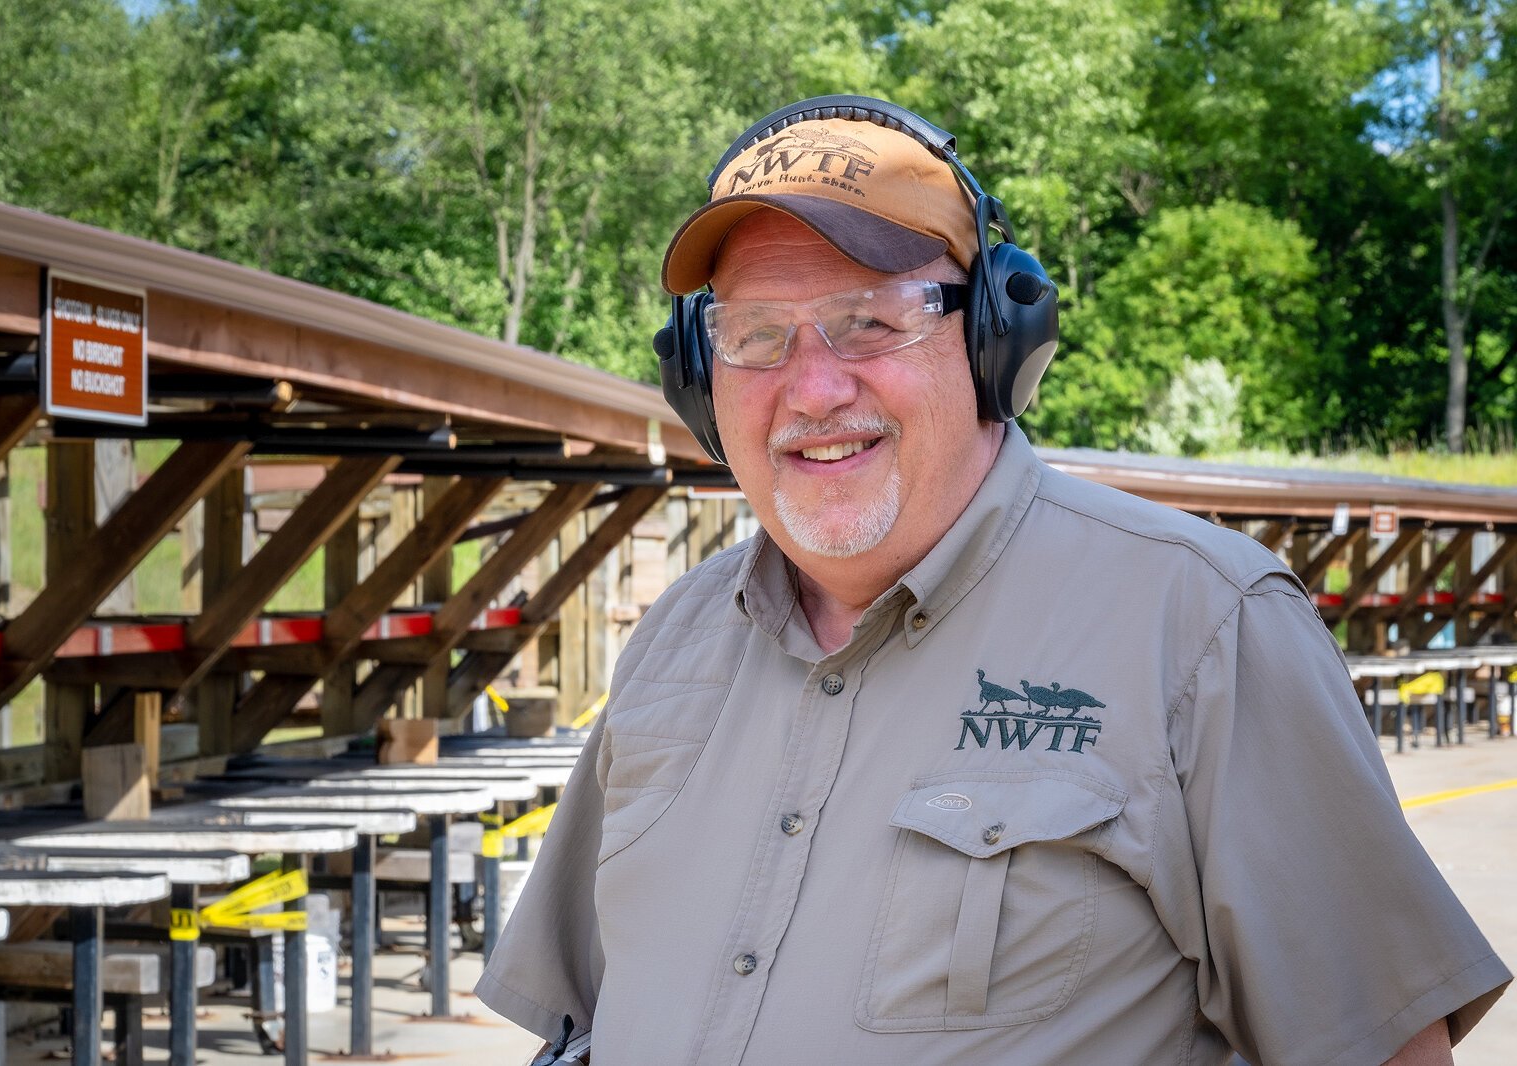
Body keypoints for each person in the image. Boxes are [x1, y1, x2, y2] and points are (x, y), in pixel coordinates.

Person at [475, 95, 1510, 1065]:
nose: (813, 387)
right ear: (699, 379)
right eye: (755, 336)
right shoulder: (675, 638)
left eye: (870, 320)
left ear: (994, 339)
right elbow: (584, 1021)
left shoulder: (1202, 625)